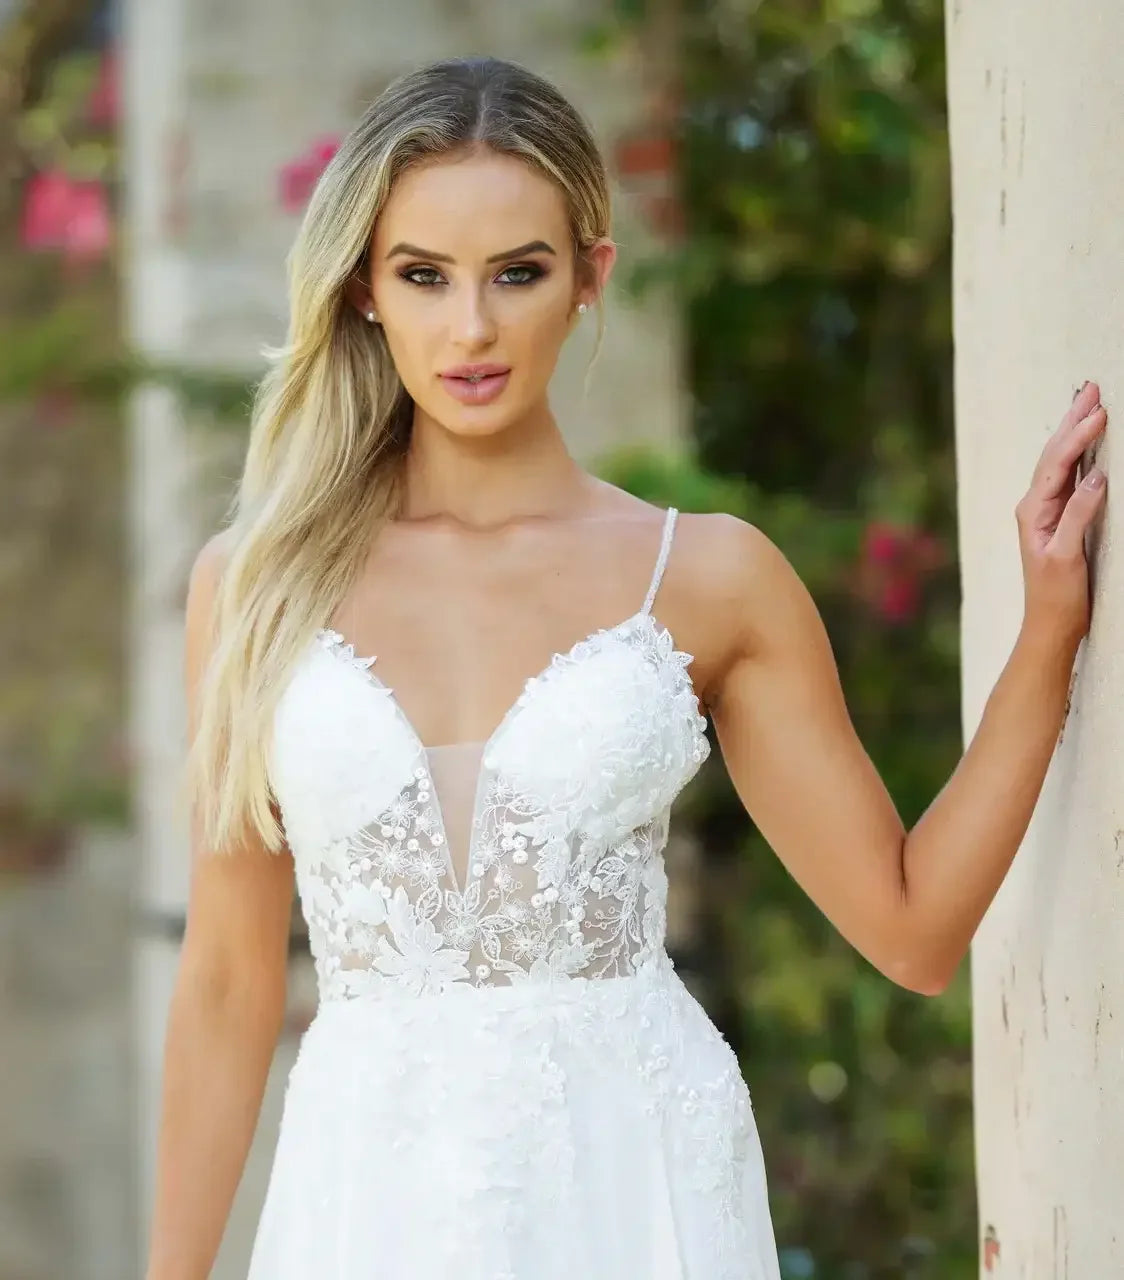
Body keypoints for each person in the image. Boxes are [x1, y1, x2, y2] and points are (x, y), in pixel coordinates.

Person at [144, 55, 1107, 1280]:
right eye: (424, 274)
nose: (471, 327)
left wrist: (1047, 632)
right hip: (365, 1203)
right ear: (364, 289)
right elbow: (228, 985)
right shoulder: (253, 588)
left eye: (518, 272)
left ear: (589, 277)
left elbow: (912, 930)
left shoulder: (706, 576)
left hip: (635, 1186)